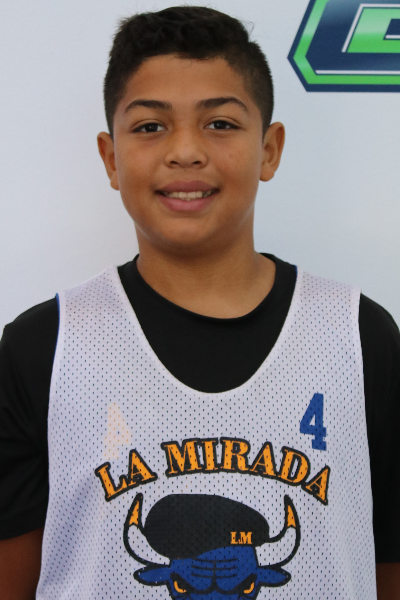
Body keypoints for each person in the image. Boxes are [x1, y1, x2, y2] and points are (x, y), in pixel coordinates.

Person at [0, 6, 399, 600]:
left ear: (269, 149)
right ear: (111, 159)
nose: (185, 151)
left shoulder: (359, 337)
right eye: (150, 126)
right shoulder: (44, 347)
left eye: (220, 123)